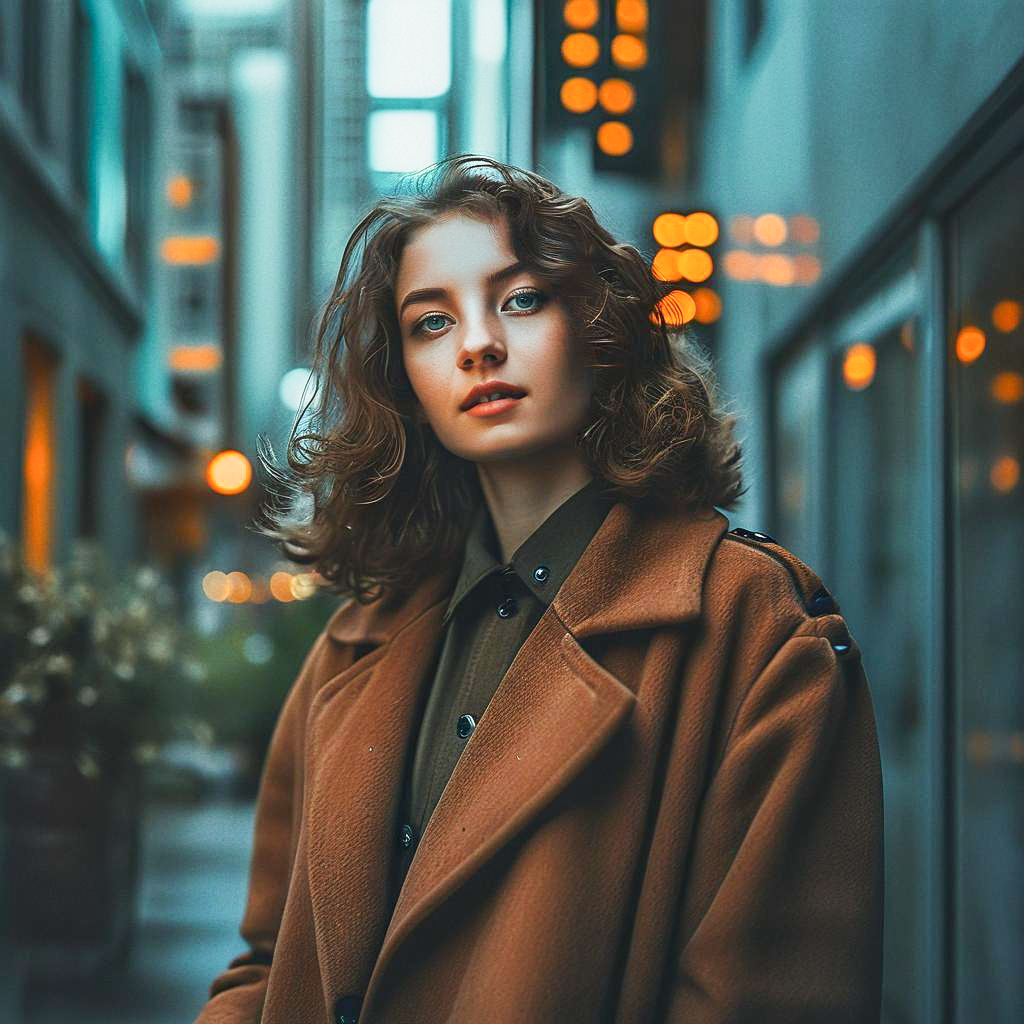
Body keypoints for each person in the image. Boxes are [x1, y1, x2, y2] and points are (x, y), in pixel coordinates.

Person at [194, 154, 883, 1024]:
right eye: (430, 323)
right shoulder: (358, 641)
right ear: (403, 377)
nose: (478, 343)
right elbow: (265, 961)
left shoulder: (755, 629)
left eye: (520, 300)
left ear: (597, 327)